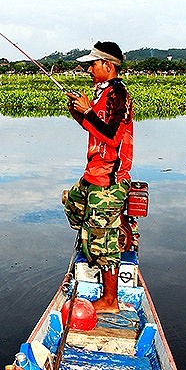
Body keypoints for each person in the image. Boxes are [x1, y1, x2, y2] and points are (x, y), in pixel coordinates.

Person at [64, 41, 134, 314]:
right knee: (72, 201)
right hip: (93, 173)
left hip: (109, 178)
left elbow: (112, 135)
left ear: (107, 65)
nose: (89, 69)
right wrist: (77, 111)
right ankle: (95, 236)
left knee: (102, 238)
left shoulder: (118, 95)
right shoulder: (102, 93)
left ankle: (110, 300)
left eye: (93, 64)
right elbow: (94, 129)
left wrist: (88, 111)